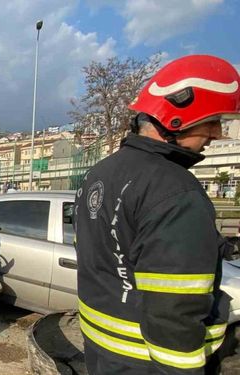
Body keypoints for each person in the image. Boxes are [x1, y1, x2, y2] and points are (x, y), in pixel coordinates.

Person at [74, 55, 240, 374]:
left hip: (99, 354)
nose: (217, 133)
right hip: (147, 364)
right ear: (178, 116)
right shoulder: (175, 191)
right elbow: (173, 314)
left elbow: (114, 250)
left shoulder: (99, 174)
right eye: (213, 120)